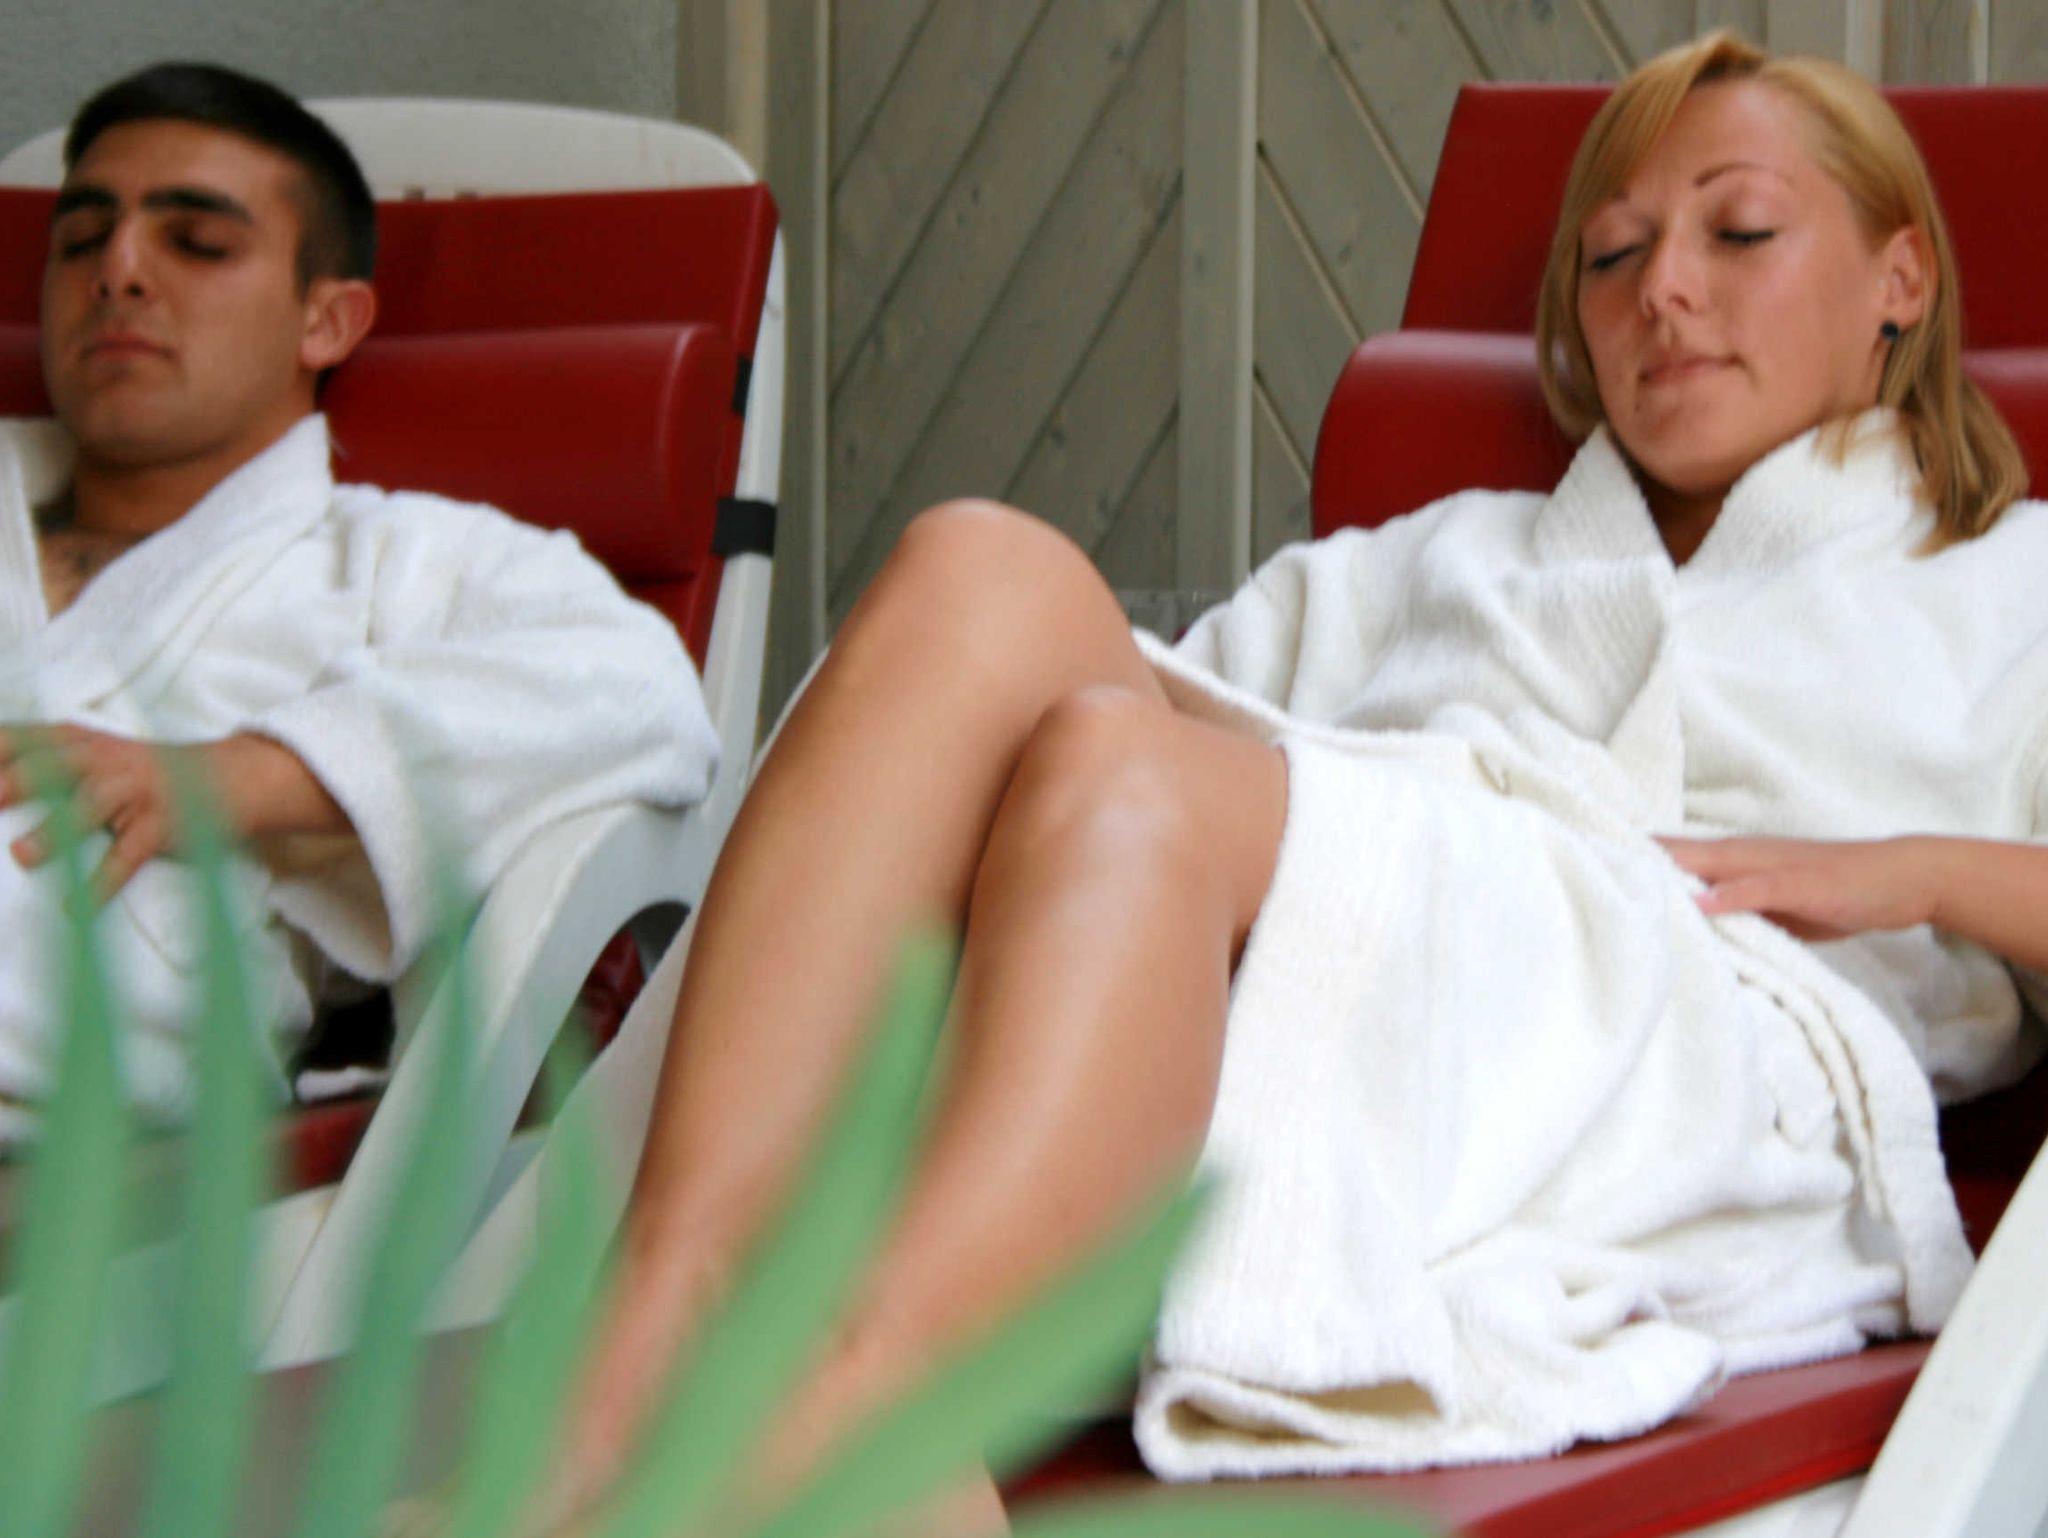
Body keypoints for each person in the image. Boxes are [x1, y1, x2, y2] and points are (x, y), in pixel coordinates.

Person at [548, 27, 2048, 1533]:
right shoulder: (1452, 554)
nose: (1660, 288)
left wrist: (1914, 869)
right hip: (1325, 964)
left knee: (1128, 778)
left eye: (1739, 231)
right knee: (978, 570)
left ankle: (871, 1394)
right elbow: (1104, 713)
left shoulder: (2008, 584)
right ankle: (660, 1314)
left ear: (1900, 280)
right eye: (1611, 256)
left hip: (1690, 1041)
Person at [0, 63, 719, 1133]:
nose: (119, 272)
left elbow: (641, 691)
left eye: (196, 242)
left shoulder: (392, 557)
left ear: (327, 322)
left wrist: (250, 773)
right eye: (80, 241)